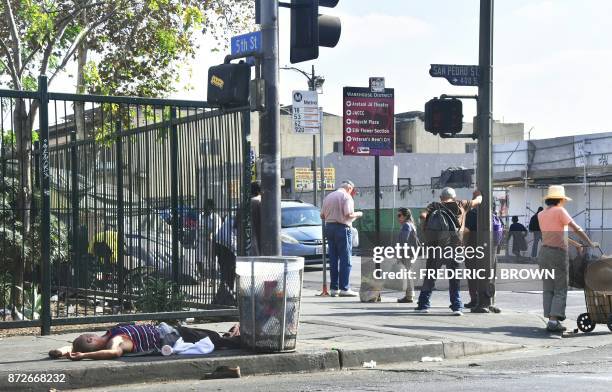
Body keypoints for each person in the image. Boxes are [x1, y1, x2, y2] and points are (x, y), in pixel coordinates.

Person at [537, 185, 598, 332]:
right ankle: (553, 320)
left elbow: (559, 234)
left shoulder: (542, 214)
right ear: (560, 199)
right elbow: (575, 228)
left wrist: (577, 244)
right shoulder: (560, 211)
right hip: (558, 254)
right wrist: (589, 243)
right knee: (560, 287)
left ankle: (551, 318)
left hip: (544, 253)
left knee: (548, 287)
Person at [415, 187, 482, 316]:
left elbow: (422, 216)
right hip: (454, 247)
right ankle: (457, 306)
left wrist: (425, 230)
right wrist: (478, 194)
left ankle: (423, 304)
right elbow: (478, 201)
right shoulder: (461, 204)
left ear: (441, 198)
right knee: (454, 278)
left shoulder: (434, 205)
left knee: (430, 276)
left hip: (435, 247)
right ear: (454, 197)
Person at [48, 323, 241, 360]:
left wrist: (63, 350)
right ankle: (240, 339)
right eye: (90, 336)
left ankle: (231, 336)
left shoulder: (110, 333)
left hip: (168, 330)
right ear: (91, 339)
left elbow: (76, 345)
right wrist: (84, 355)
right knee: (217, 341)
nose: (92, 334)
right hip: (171, 336)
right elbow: (114, 353)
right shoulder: (115, 340)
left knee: (214, 337)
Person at [320, 180, 363, 297]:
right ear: (349, 188)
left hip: (329, 228)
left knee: (333, 259)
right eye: (352, 190)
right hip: (342, 228)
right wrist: (359, 214)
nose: (352, 192)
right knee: (345, 259)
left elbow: (322, 215)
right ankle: (345, 288)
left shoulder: (328, 197)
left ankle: (334, 288)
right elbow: (348, 214)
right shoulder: (346, 197)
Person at [463, 207, 504, 310]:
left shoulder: (471, 214)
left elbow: (466, 231)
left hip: (474, 248)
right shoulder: (493, 215)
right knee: (490, 275)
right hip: (491, 250)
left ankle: (475, 300)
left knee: (473, 274)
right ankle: (490, 300)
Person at [397, 208, 420, 303]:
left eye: (399, 215)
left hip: (407, 253)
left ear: (405, 216)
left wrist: (399, 253)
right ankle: (409, 295)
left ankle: (409, 296)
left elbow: (404, 240)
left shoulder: (406, 225)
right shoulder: (411, 225)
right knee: (408, 273)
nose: (398, 218)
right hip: (411, 252)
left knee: (407, 273)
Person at [214, 215, 237, 306]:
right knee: (230, 270)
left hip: (220, 241)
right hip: (227, 244)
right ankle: (226, 296)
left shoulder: (232, 216)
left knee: (226, 270)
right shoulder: (242, 216)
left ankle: (222, 295)